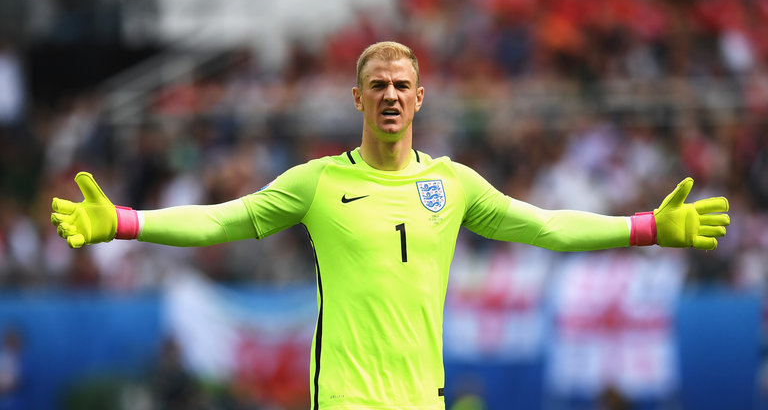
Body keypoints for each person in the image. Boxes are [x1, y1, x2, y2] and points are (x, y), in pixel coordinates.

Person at [50, 41, 730, 410]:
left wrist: (646, 228)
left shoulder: (453, 184)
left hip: (423, 399)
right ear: (357, 98)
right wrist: (124, 221)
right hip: (345, 398)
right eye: (378, 85)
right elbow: (221, 221)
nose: (391, 96)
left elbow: (548, 227)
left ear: (420, 98)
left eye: (402, 86)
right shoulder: (318, 181)